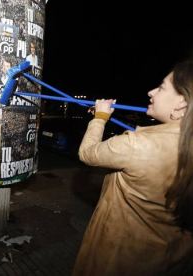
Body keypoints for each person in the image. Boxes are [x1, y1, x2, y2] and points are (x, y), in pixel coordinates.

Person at [73, 60, 193, 275]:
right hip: (173, 256)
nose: (151, 92)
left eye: (162, 87)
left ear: (182, 104)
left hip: (121, 258)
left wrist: (100, 118)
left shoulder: (137, 144)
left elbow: (87, 153)